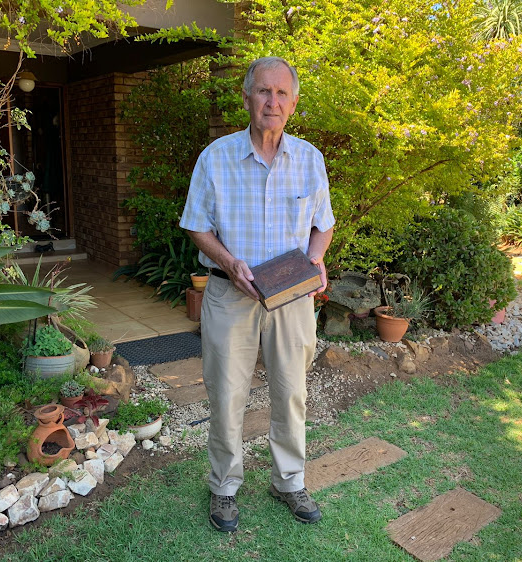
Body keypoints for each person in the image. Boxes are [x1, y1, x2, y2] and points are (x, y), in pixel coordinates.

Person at [179, 56, 335, 532]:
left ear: (293, 102)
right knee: (226, 396)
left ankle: (289, 481)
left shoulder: (309, 158)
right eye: (264, 92)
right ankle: (224, 488)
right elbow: (196, 227)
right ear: (247, 98)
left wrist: (316, 258)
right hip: (231, 296)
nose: (273, 101)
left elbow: (322, 225)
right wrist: (230, 263)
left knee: (291, 394)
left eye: (282, 93)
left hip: (292, 300)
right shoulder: (216, 157)